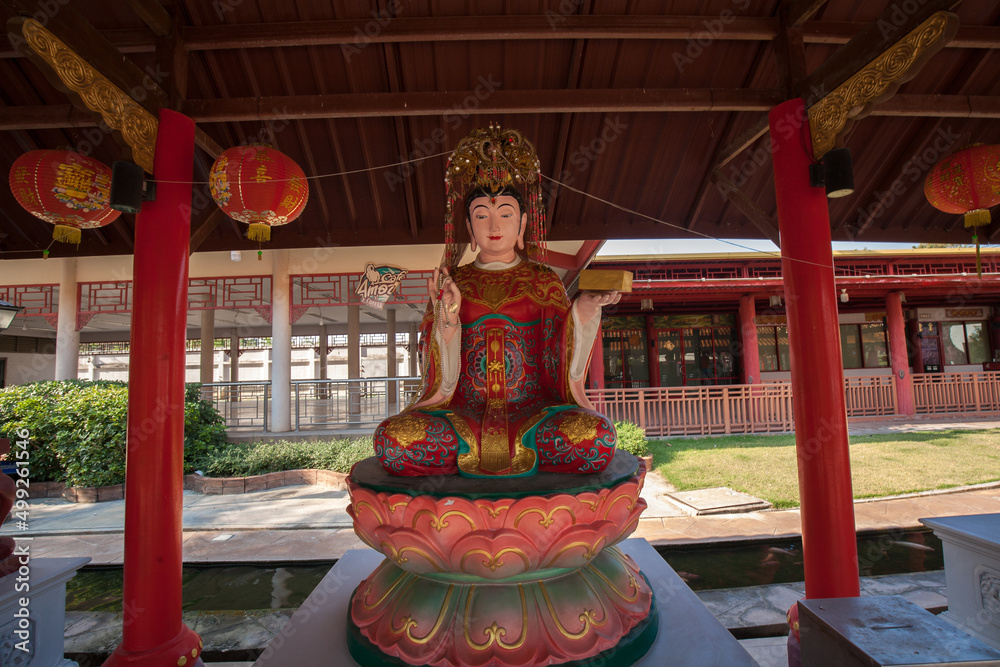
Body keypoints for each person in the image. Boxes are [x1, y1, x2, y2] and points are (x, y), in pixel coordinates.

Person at [374, 126, 621, 477]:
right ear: (469, 228)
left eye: (505, 214)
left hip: (536, 411)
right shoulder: (453, 283)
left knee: (592, 438)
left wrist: (585, 309)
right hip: (462, 412)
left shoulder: (543, 280)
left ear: (521, 225)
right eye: (480, 215)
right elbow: (438, 375)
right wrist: (447, 319)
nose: (494, 225)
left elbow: (561, 356)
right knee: (395, 440)